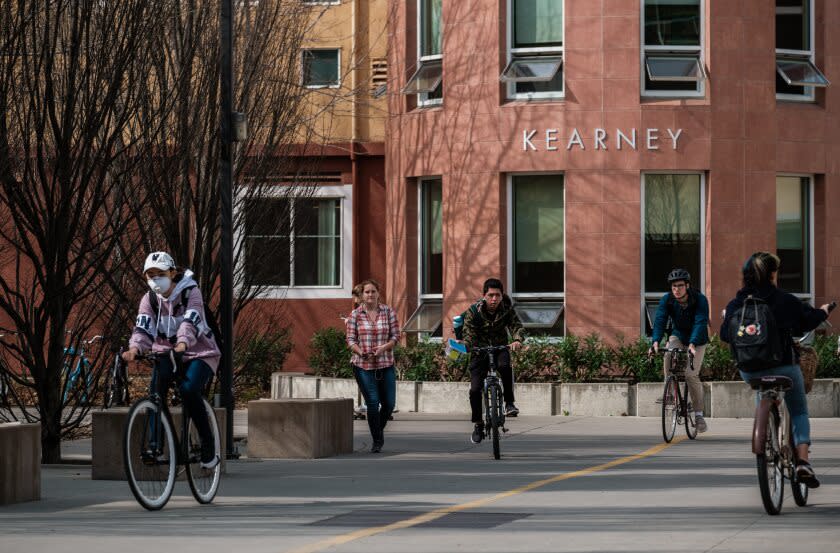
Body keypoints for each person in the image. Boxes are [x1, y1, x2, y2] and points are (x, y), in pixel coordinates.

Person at [720, 251, 832, 488]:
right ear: (772, 274)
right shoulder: (784, 300)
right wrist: (823, 310)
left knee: (762, 385)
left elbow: (724, 335)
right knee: (799, 410)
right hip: (783, 368)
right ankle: (802, 461)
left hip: (749, 371)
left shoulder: (736, 303)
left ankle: (768, 428)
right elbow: (807, 321)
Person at [122, 251, 221, 469]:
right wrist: (134, 348)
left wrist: (183, 343)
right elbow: (143, 327)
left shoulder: (190, 292)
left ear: (172, 272)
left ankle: (208, 443)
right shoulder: (148, 299)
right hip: (166, 352)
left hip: (199, 352)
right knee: (156, 393)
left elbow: (191, 320)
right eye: (150, 275)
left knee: (189, 390)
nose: (155, 279)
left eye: (160, 274)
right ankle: (156, 446)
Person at [461, 278, 524, 444]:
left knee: (505, 366)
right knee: (475, 390)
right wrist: (468, 345)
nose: (494, 299)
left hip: (500, 348)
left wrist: (517, 340)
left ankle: (509, 403)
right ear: (484, 296)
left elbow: (517, 326)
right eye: (490, 295)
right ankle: (478, 424)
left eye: (497, 295)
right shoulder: (473, 312)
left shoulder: (507, 310)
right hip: (479, 351)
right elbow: (468, 333)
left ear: (502, 296)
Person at [649, 268, 711, 433]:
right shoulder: (667, 300)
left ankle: (698, 415)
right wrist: (655, 341)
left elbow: (700, 321)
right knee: (669, 354)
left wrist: (692, 344)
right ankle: (669, 390)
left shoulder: (700, 299)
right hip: (678, 335)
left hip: (698, 338)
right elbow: (660, 320)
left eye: (680, 286)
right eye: (673, 286)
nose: (676, 289)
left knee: (691, 374)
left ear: (687, 286)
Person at [345, 279, 400, 453]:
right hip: (363, 365)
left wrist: (384, 347)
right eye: (367, 292)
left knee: (389, 403)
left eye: (373, 291)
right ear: (362, 295)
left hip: (385, 363)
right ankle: (377, 440)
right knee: (373, 403)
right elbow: (350, 340)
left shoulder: (388, 312)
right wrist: (361, 352)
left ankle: (377, 431)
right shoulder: (355, 315)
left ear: (378, 293)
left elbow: (396, 336)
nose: (370, 295)